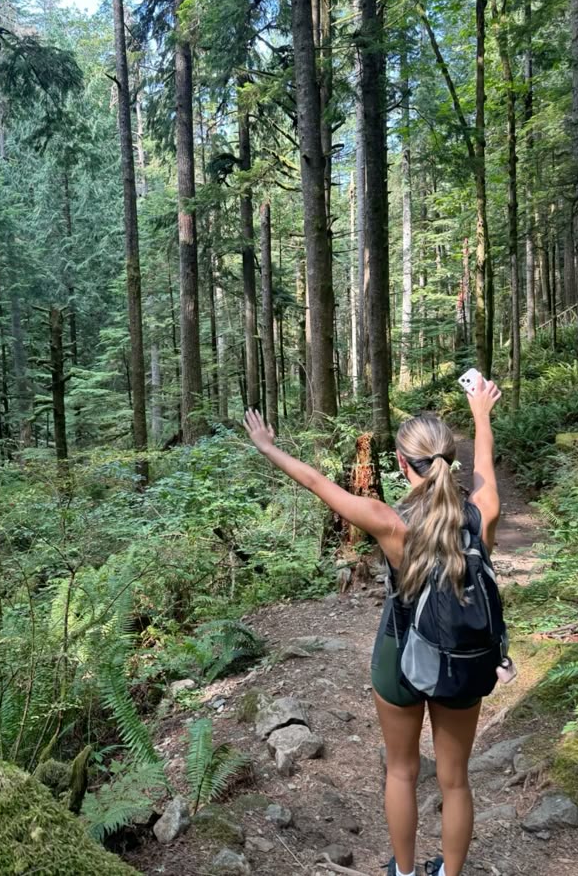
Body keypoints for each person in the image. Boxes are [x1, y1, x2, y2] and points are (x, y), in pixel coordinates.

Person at [243, 374, 502, 876]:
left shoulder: (389, 521)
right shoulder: (482, 513)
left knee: (402, 772)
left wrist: (266, 447)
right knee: (455, 781)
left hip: (400, 656)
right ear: (451, 460)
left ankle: (403, 873)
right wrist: (482, 414)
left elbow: (317, 483)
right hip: (465, 661)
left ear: (402, 465)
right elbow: (486, 468)